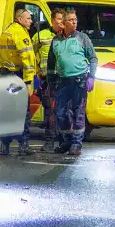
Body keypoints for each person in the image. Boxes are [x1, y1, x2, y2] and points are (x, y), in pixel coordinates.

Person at [49, 9, 97, 156]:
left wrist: (91, 76)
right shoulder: (56, 40)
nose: (74, 22)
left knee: (79, 113)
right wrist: (50, 82)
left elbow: (93, 58)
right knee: (60, 113)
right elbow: (51, 63)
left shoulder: (82, 38)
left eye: (75, 19)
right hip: (62, 81)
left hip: (79, 80)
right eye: (71, 20)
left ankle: (76, 144)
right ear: (63, 23)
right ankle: (67, 141)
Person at [0, 7, 37, 156]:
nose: (31, 21)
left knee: (6, 111)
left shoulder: (7, 31)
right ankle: (23, 145)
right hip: (18, 77)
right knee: (22, 111)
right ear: (20, 19)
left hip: (5, 75)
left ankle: (4, 144)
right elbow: (28, 60)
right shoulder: (20, 33)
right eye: (28, 18)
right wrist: (28, 81)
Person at [39, 8, 65, 152]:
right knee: (50, 111)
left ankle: (63, 141)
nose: (61, 22)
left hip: (64, 79)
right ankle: (49, 141)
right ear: (52, 20)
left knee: (64, 111)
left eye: (63, 19)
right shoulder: (41, 36)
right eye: (59, 19)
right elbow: (32, 54)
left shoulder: (68, 37)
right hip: (47, 78)